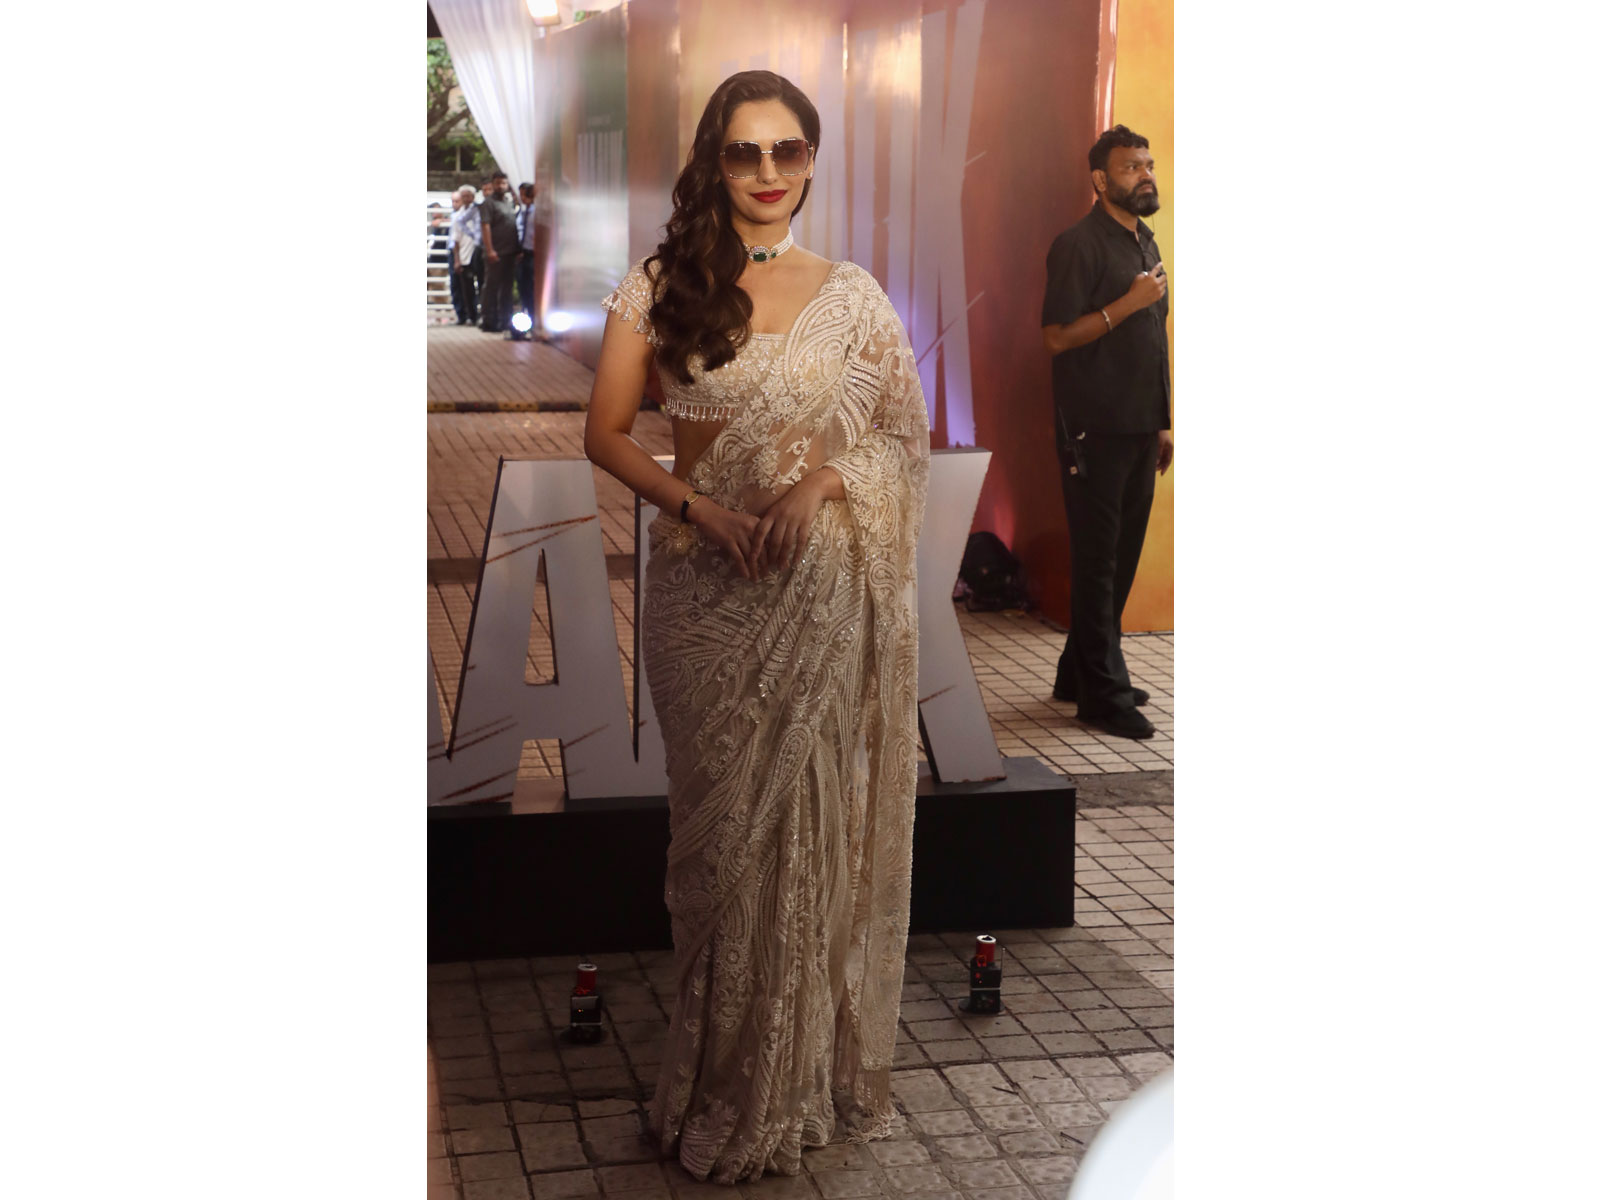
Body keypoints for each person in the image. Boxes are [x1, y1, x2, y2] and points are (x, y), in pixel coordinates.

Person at [584, 70, 929, 1184]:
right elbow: (605, 433)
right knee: (720, 848)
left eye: (788, 150)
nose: (768, 172)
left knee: (804, 833)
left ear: (812, 159)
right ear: (714, 162)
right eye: (745, 152)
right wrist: (706, 511)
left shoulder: (852, 297)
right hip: (704, 596)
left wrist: (821, 482)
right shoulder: (661, 286)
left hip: (813, 597)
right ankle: (711, 1082)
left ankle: (786, 1084)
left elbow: (897, 438)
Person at [1040, 124, 1174, 741]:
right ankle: (1103, 695)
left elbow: (1154, 336)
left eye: (1148, 164)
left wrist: (1163, 421)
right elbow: (1056, 337)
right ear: (1100, 180)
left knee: (1120, 560)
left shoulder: (1145, 241)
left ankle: (1080, 672)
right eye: (1130, 167)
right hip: (1093, 429)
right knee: (1098, 562)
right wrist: (1126, 303)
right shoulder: (1077, 245)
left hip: (1140, 425)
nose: (1145, 175)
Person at [476, 171, 518, 332]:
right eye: (498, 183)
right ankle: (489, 321)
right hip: (495, 253)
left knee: (507, 289)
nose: (501, 186)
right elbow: (485, 226)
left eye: (504, 183)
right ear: (493, 184)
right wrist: (490, 250)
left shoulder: (508, 202)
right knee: (491, 288)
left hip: (510, 253)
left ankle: (505, 321)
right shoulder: (488, 203)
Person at [449, 185, 482, 325]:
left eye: (469, 196)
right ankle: (471, 316)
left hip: (479, 253)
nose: (466, 199)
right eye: (464, 196)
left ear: (473, 197)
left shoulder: (480, 212)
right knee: (467, 288)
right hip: (464, 255)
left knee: (482, 285)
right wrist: (457, 260)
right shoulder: (458, 216)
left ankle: (483, 315)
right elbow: (455, 240)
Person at [515, 182, 538, 324]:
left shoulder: (536, 212)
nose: (522, 198)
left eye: (525, 194)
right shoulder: (523, 211)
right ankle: (527, 316)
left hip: (533, 253)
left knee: (531, 288)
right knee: (523, 287)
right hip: (524, 252)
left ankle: (535, 318)